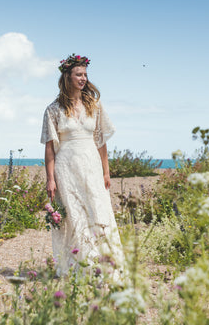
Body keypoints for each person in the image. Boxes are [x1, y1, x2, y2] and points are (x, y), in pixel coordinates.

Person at [40, 53, 124, 278]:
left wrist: (106, 171)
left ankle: (104, 264)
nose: (83, 78)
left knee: (98, 210)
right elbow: (49, 148)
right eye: (79, 74)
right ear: (68, 77)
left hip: (92, 165)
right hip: (66, 167)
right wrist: (50, 178)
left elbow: (101, 142)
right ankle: (77, 267)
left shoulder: (93, 105)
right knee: (74, 216)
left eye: (85, 74)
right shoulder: (53, 109)